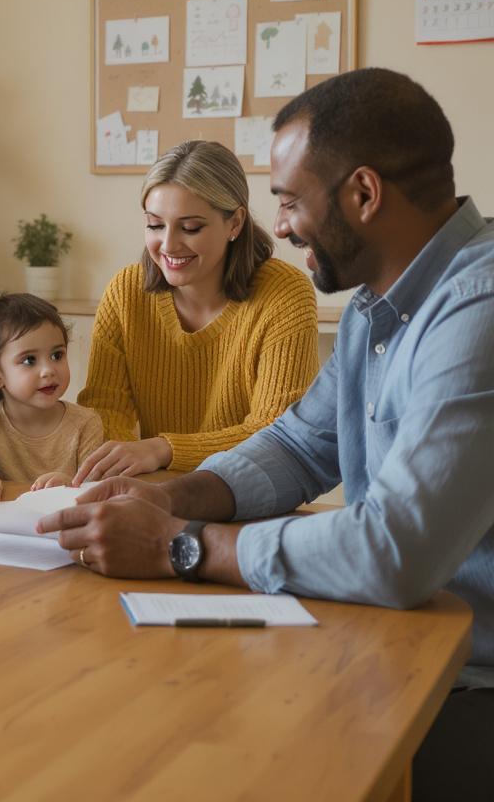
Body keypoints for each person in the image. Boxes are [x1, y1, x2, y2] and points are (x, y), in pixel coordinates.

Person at [38, 68, 494, 801]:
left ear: (364, 195)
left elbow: (395, 552)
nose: (278, 227)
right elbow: (297, 444)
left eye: (287, 202)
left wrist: (175, 545)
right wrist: (167, 496)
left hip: (467, 684)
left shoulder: (478, 311)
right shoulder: (382, 304)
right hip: (395, 642)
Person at [74, 139, 318, 480]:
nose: (169, 245)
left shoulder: (284, 294)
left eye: (190, 228)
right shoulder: (125, 292)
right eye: (155, 225)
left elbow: (277, 432)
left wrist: (164, 449)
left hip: (249, 496)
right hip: (155, 491)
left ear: (234, 223)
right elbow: (103, 414)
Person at [0, 293, 103, 490]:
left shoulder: (86, 424)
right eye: (29, 360)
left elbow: (98, 493)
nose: (48, 370)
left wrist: (67, 484)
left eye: (57, 355)